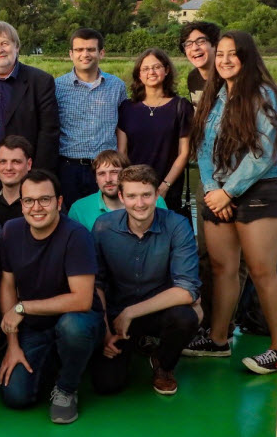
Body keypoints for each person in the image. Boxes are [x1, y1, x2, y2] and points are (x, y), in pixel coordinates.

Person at [187, 30, 277, 374]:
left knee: (261, 271)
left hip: (259, 191)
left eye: (233, 54)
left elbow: (263, 151)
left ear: (247, 58)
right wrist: (215, 189)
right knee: (222, 269)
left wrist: (229, 192)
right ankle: (217, 340)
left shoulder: (264, 95)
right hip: (219, 193)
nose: (225, 60)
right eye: (221, 54)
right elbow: (201, 146)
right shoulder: (214, 97)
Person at [0, 169, 104, 424]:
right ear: (21, 204)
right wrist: (12, 345)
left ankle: (67, 388)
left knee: (72, 327)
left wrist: (23, 308)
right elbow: (7, 284)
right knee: (16, 396)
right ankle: (58, 360)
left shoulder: (76, 235)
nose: (37, 207)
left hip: (79, 320)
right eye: (29, 200)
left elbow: (81, 300)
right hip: (36, 325)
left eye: (44, 199)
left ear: (58, 202)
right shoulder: (11, 231)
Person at [90, 165, 200, 396]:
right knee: (108, 384)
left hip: (156, 310)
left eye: (146, 195)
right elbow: (96, 284)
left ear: (156, 195)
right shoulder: (103, 227)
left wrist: (130, 312)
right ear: (121, 197)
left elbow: (187, 289)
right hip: (115, 314)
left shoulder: (177, 225)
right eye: (131, 196)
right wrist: (106, 331)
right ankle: (133, 344)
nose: (139, 203)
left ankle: (163, 363)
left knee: (186, 317)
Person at [178, 21, 247, 340]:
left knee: (237, 258)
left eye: (201, 41)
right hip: (207, 175)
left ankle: (226, 324)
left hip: (239, 176)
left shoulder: (235, 77)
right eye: (188, 44)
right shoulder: (194, 78)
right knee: (206, 252)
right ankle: (207, 323)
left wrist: (229, 189)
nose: (195, 48)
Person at [0, 21, 59, 191]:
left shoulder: (40, 81)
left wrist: (38, 175)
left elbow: (48, 132)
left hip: (22, 174)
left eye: (5, 43)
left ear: (17, 47)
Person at [55, 28, 127, 207]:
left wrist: (121, 159)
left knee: (107, 218)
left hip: (105, 168)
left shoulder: (117, 86)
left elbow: (122, 127)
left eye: (91, 49)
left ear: (101, 53)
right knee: (71, 220)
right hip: (68, 168)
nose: (85, 54)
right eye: (79, 50)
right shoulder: (57, 87)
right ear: (71, 54)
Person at [117, 48, 193, 214]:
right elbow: (122, 151)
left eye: (156, 67)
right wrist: (128, 184)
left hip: (167, 188)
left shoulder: (181, 106)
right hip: (134, 188)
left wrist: (165, 186)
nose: (151, 72)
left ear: (166, 70)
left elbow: (184, 153)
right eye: (145, 69)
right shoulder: (127, 108)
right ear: (139, 74)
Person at [68, 150, 167, 232]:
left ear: (126, 174)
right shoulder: (79, 209)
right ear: (95, 179)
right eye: (101, 174)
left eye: (114, 172)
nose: (108, 179)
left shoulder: (155, 201)